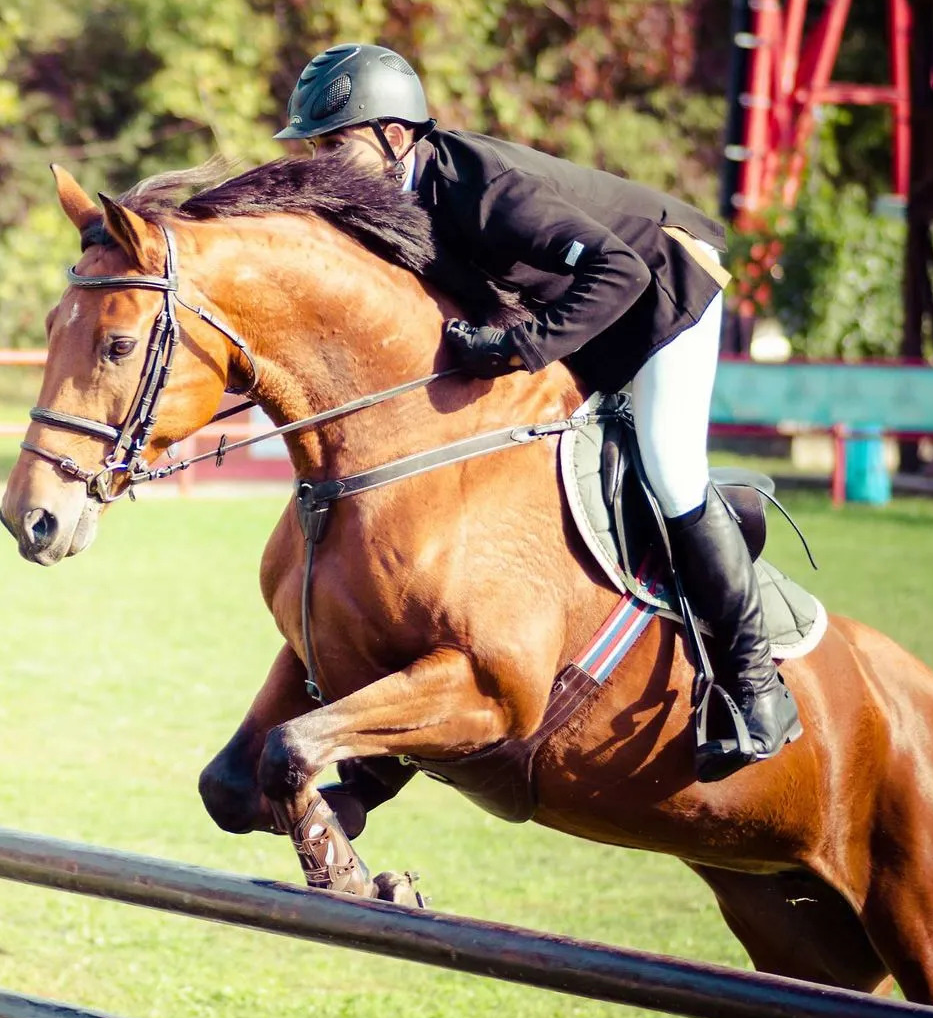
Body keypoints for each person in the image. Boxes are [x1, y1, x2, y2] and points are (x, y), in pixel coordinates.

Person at [274, 43, 801, 782]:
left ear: (396, 135)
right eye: (312, 147)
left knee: (670, 470)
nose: (322, 164)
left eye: (336, 144)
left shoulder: (482, 187)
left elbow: (619, 270)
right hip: (591, 305)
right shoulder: (397, 201)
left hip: (666, 282)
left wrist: (516, 349)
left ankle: (755, 690)